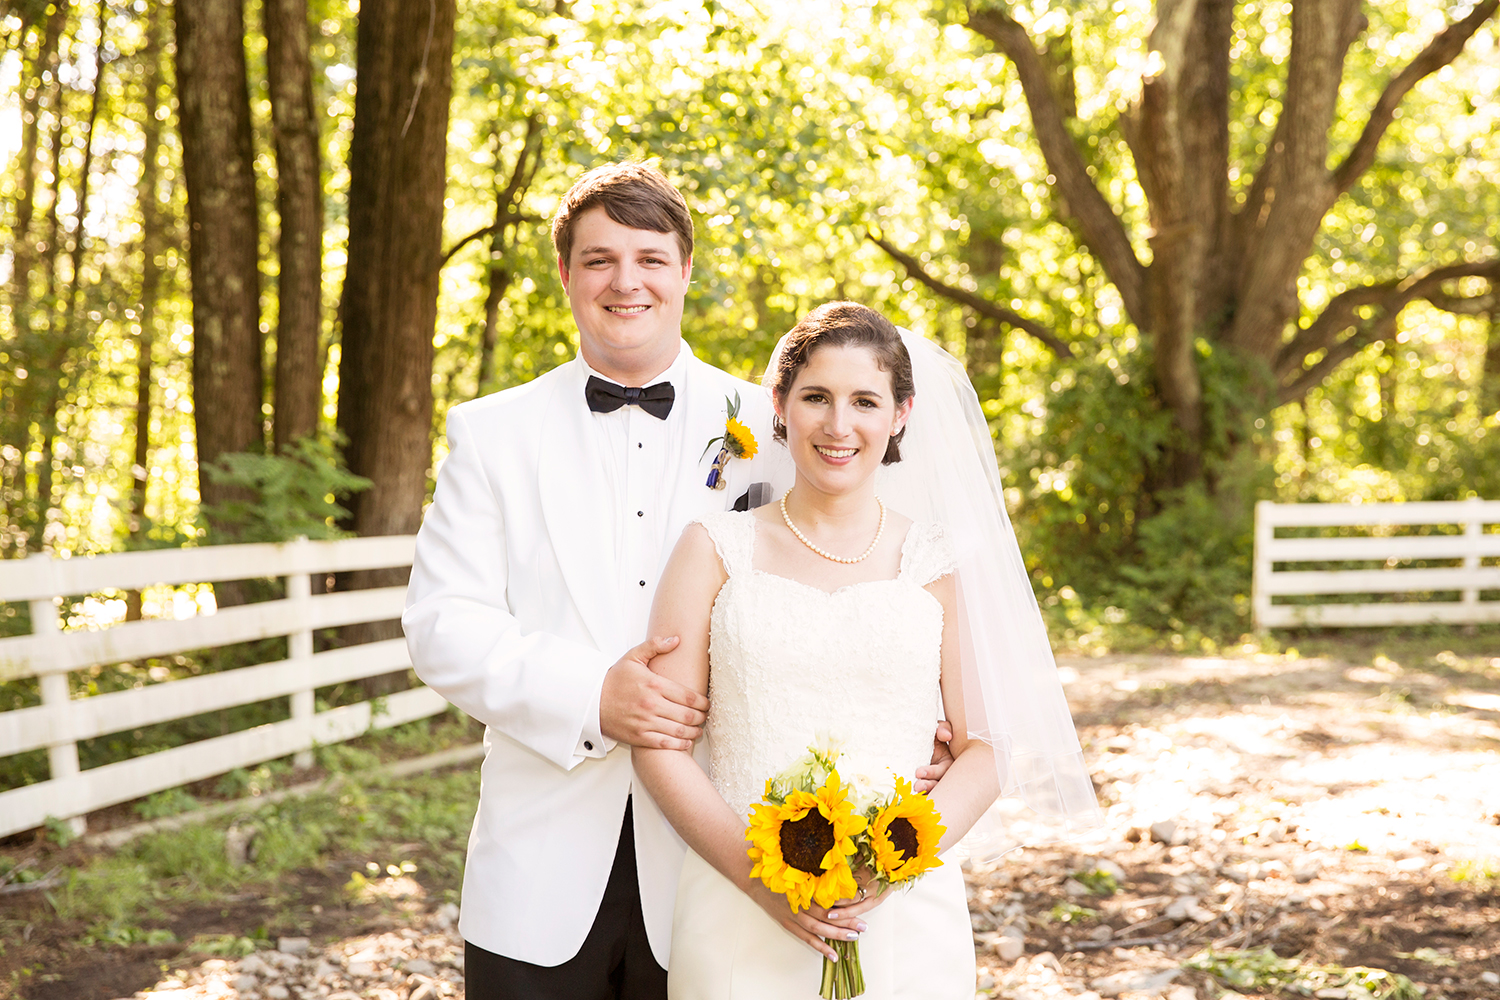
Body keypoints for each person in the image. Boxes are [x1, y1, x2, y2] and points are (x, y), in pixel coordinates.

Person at [402, 163, 953, 1000]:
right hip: (537, 867)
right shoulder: (492, 434)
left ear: (686, 270)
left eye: (651, 258)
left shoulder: (780, 425)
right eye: (599, 260)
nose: (627, 281)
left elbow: (852, 579)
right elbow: (442, 623)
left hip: (731, 868)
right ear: (566, 274)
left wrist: (919, 726)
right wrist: (594, 696)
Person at [633, 302, 1100, 998]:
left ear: (901, 414)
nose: (839, 424)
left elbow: (988, 745)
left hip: (901, 911)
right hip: (737, 904)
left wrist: (890, 868)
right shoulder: (713, 549)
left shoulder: (938, 562)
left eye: (865, 401)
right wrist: (762, 882)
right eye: (816, 397)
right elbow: (660, 745)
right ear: (780, 406)